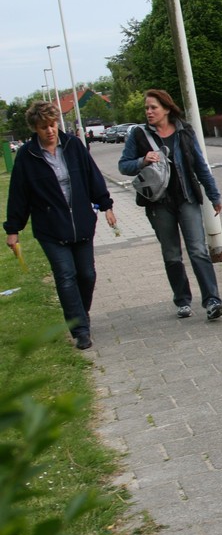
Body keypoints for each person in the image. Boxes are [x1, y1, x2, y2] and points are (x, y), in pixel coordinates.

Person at [4, 101, 117, 350]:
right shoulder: (27, 156)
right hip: (51, 228)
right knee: (66, 276)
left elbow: (92, 176)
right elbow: (19, 194)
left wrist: (106, 205)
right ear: (35, 128)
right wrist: (13, 229)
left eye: (53, 124)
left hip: (81, 223)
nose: (50, 130)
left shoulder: (73, 145)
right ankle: (80, 330)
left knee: (87, 275)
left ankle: (81, 314)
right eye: (43, 127)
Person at [118, 89, 222, 321]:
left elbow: (199, 165)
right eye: (146, 108)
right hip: (158, 203)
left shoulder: (184, 131)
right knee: (172, 254)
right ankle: (183, 301)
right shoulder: (138, 134)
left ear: (166, 109)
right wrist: (142, 160)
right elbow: (123, 165)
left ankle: (212, 300)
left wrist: (214, 195)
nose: (149, 112)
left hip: (186, 198)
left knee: (198, 250)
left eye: (153, 107)